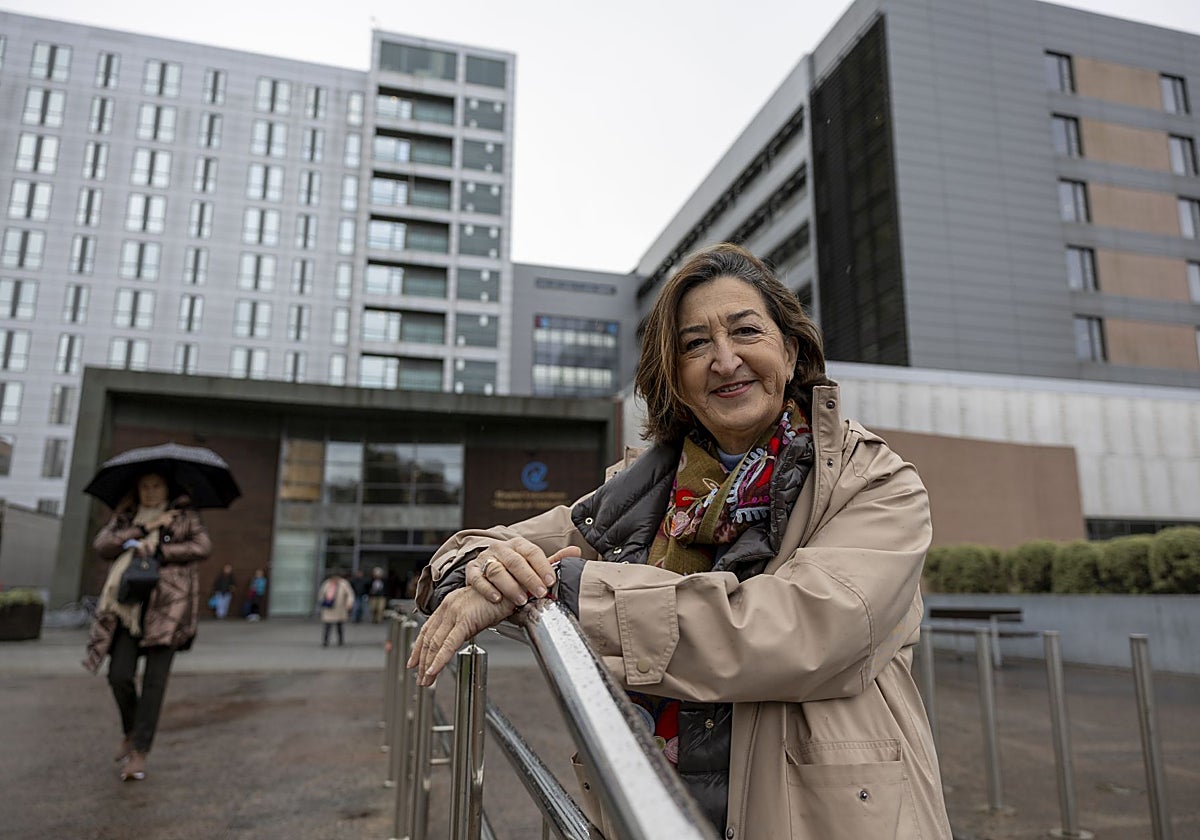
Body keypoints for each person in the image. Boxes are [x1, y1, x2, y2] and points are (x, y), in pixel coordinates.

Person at [411, 244, 952, 839]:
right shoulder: (642, 491)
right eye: (695, 345)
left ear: (791, 350)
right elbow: (471, 550)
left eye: (746, 331)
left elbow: (803, 630)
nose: (725, 360)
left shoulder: (873, 480)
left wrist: (564, 591)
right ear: (675, 376)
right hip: (649, 812)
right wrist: (486, 569)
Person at [83, 472, 212, 782]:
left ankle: (140, 750)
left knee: (155, 683)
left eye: (156, 486)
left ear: (167, 488)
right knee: (119, 675)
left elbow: (202, 547)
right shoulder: (126, 518)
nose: (150, 492)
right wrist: (143, 528)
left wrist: (160, 551)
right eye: (144, 486)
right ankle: (130, 731)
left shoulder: (184, 517)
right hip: (127, 609)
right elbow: (102, 545)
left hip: (167, 610)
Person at [317, 569, 356, 647]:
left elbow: (350, 594)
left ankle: (340, 640)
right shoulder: (327, 583)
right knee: (327, 626)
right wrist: (322, 601)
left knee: (339, 625)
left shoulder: (344, 584)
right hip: (328, 608)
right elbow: (321, 594)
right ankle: (325, 641)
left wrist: (349, 603)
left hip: (339, 608)